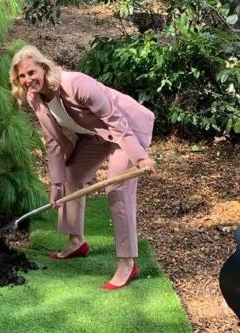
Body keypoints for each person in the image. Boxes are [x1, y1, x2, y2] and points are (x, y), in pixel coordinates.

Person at [9, 45, 156, 290]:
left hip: (127, 128)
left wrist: (141, 158)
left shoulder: (77, 83)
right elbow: (53, 140)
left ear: (44, 68)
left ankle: (127, 263)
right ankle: (76, 241)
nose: (27, 80)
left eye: (31, 72)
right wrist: (57, 187)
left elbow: (116, 121)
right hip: (95, 133)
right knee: (71, 176)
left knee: (117, 190)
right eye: (21, 76)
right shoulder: (36, 98)